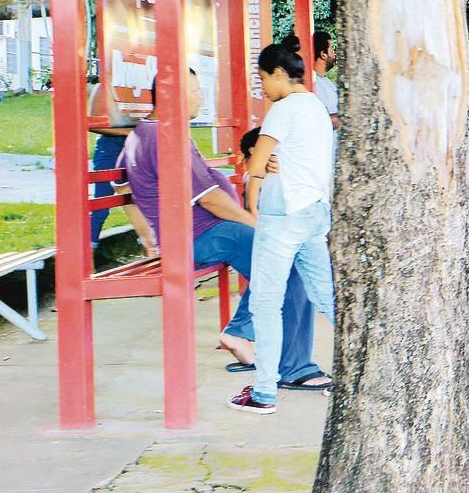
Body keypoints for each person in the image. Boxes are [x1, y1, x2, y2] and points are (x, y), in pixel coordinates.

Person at [119, 69, 331, 394]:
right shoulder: (165, 137)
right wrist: (261, 225)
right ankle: (293, 367)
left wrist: (148, 235)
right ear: (169, 94)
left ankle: (241, 333)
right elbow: (213, 202)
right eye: (194, 90)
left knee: (280, 259)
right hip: (203, 232)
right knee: (288, 261)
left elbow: (122, 183)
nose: (200, 97)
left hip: (199, 232)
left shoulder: (146, 133)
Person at [230, 42, 335, 415]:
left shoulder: (283, 109)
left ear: (276, 73)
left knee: (265, 303)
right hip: (314, 213)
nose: (263, 88)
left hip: (283, 216)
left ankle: (263, 392)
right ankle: (358, 372)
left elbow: (254, 165)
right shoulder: (317, 108)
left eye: (262, 78)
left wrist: (257, 165)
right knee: (327, 297)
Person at [88, 71, 137, 249]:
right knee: (101, 203)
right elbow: (92, 124)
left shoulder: (141, 88)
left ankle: (153, 253)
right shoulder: (104, 86)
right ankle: (88, 260)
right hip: (111, 148)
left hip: (138, 146)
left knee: (145, 201)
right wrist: (131, 133)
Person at [310, 30, 339, 130]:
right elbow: (321, 120)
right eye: (331, 50)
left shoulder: (326, 82)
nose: (334, 54)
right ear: (323, 54)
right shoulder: (314, 85)